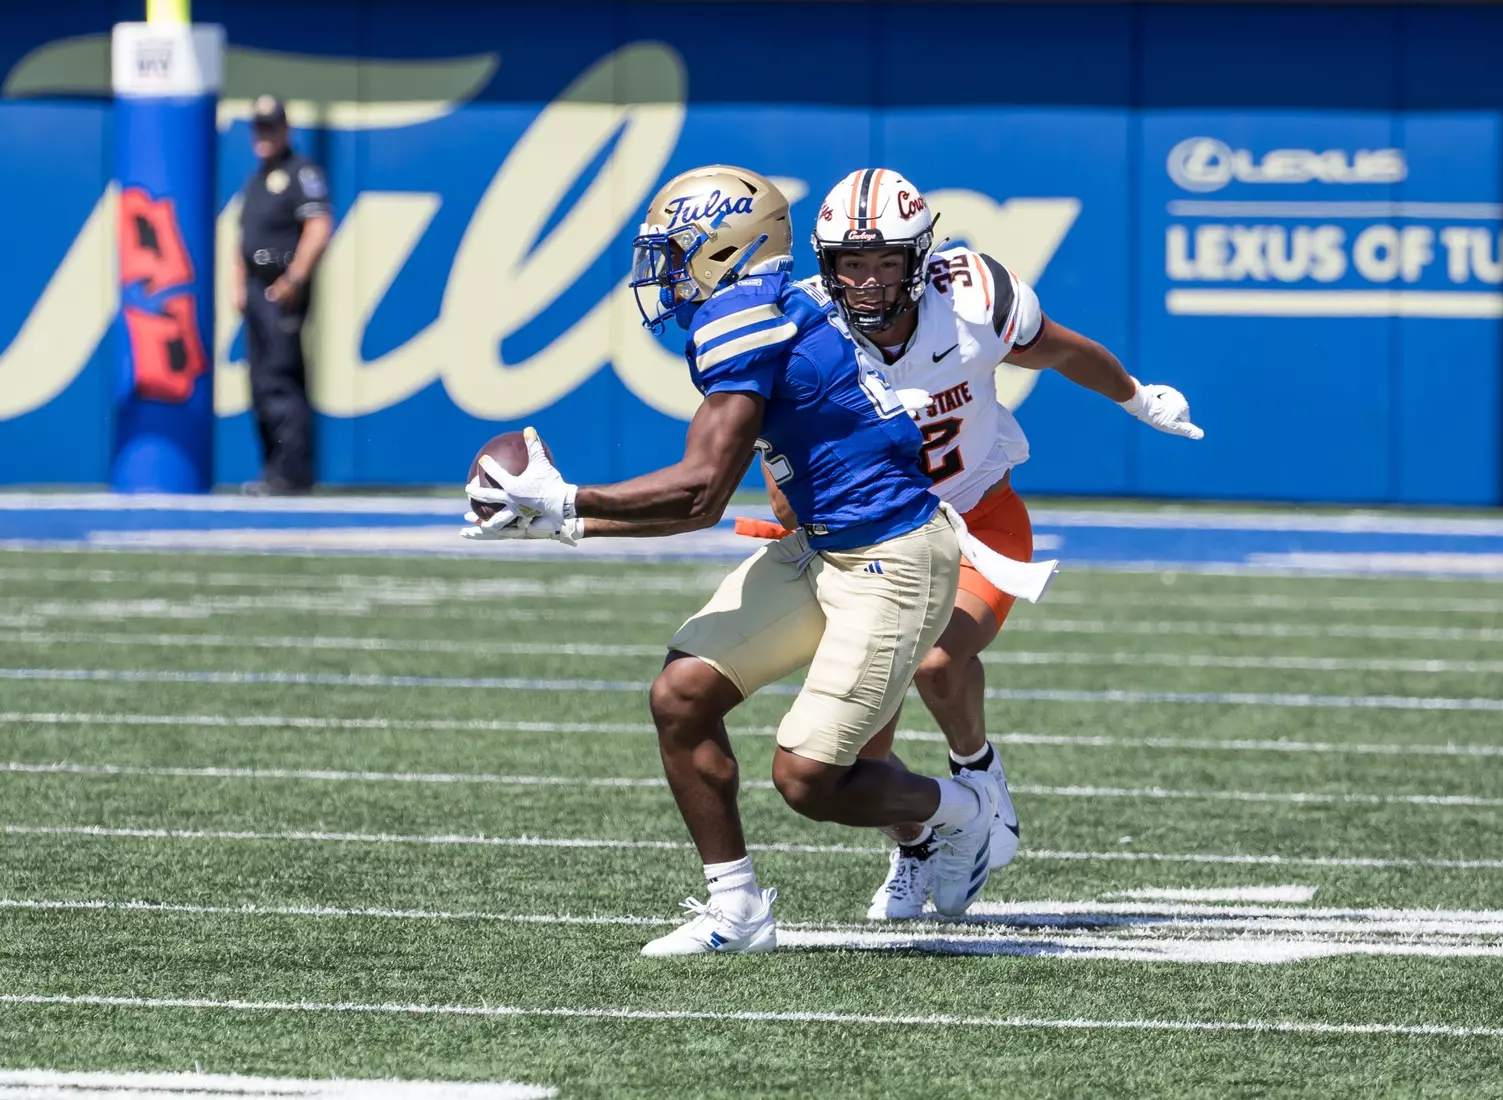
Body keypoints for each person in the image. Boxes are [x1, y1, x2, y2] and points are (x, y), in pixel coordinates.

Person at [461, 165, 1057, 955]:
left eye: (675, 254)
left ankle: (964, 811)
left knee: (808, 781)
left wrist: (567, 505)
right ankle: (736, 911)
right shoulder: (770, 303)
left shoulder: (746, 317)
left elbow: (702, 493)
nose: (664, 273)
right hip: (826, 547)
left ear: (722, 248)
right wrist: (568, 520)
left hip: (894, 557)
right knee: (682, 695)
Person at [742, 168, 1203, 920]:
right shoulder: (804, 327)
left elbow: (1061, 350)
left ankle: (980, 778)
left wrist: (1135, 394)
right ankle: (919, 841)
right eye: (850, 263)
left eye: (886, 261)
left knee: (937, 660)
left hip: (977, 519)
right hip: (876, 545)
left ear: (919, 259)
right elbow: (774, 447)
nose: (866, 280)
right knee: (857, 750)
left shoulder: (972, 302)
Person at [234, 94, 333, 496]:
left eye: (270, 127)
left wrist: (294, 280)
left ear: (285, 129)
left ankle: (291, 474)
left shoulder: (301, 172)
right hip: (257, 288)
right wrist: (237, 282)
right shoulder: (257, 179)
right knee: (260, 382)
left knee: (280, 379)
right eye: (258, 127)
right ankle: (273, 470)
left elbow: (319, 226)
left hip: (281, 287)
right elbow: (242, 239)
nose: (263, 135)